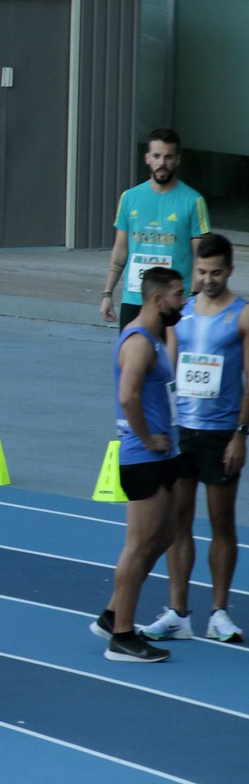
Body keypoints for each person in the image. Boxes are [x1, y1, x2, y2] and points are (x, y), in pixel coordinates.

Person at [149, 235, 246, 644]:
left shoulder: (242, 315)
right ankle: (178, 612)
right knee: (178, 521)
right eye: (202, 272)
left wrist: (241, 434)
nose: (208, 280)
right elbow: (168, 370)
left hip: (222, 432)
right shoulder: (181, 312)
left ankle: (219, 612)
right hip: (182, 431)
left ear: (230, 269)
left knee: (221, 521)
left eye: (216, 272)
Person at [92, 267, 187, 662]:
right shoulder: (138, 343)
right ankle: (123, 637)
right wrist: (148, 438)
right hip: (143, 456)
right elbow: (128, 397)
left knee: (163, 536)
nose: (184, 302)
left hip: (164, 454)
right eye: (179, 295)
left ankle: (113, 614)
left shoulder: (156, 338)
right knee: (137, 546)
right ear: (157, 299)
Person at [100, 128, 210, 329]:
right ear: (147, 158)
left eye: (168, 157)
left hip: (175, 304)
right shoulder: (129, 198)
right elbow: (120, 248)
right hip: (134, 299)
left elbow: (201, 258)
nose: (162, 163)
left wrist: (193, 298)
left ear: (177, 159)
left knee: (171, 360)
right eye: (157, 156)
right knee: (132, 357)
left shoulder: (194, 201)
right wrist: (108, 293)